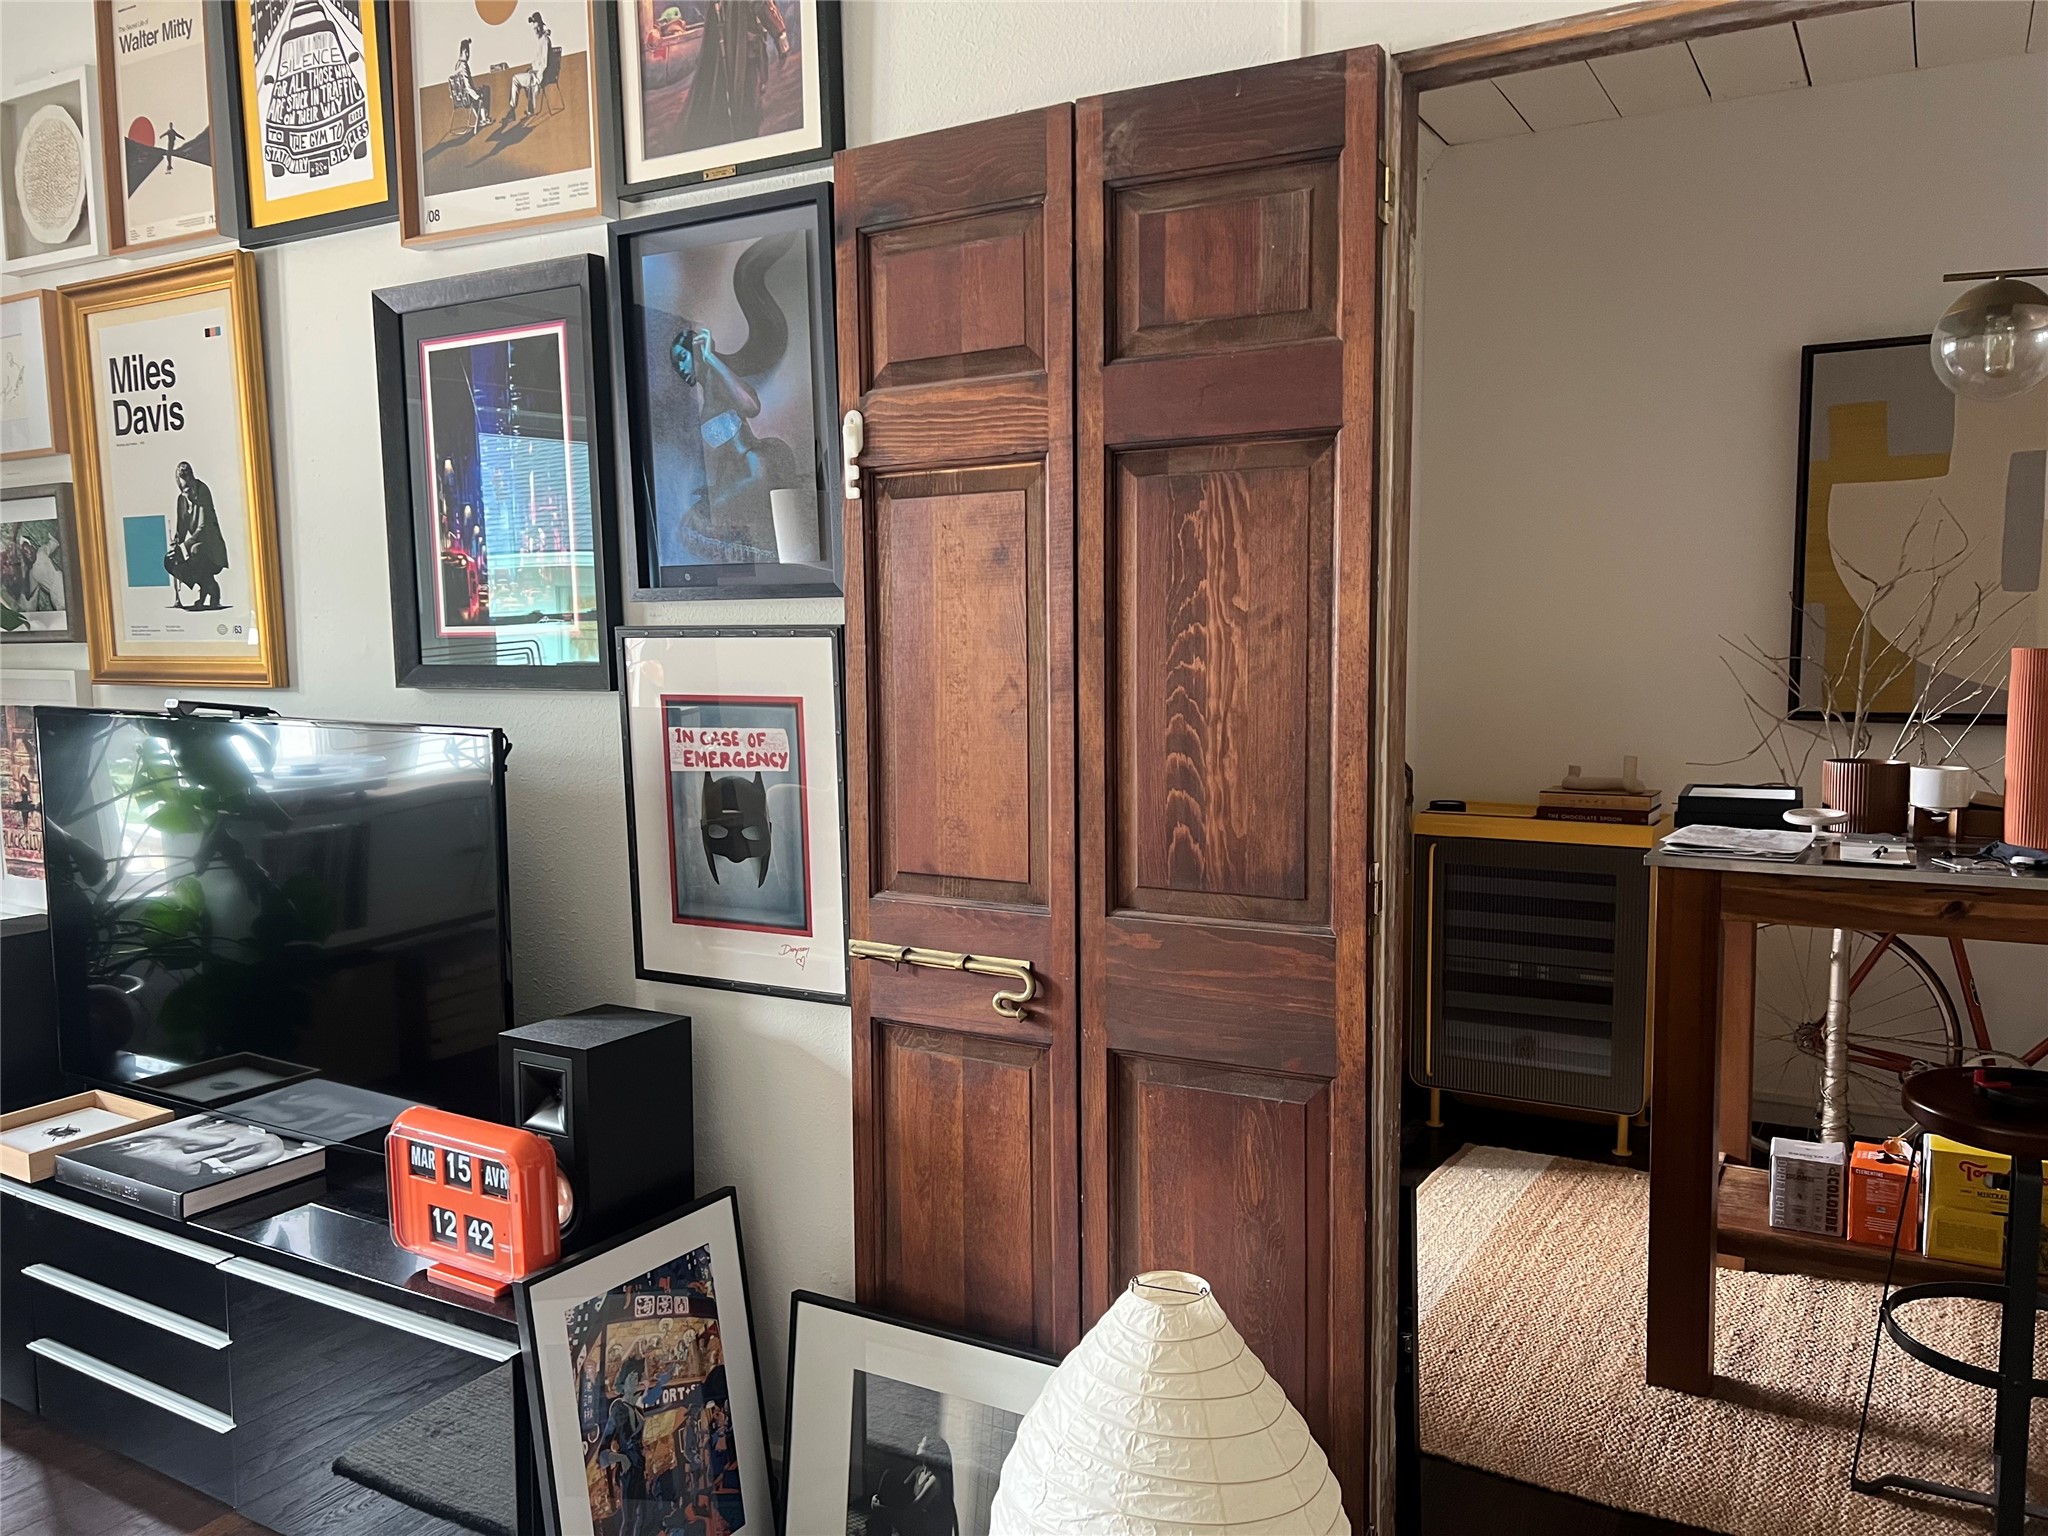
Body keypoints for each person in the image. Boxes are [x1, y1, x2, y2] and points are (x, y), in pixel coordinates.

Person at [166, 462, 228, 611]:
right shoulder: (181, 500)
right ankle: (206, 585)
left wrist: (183, 548)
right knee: (169, 560)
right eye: (185, 489)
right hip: (195, 546)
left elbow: (204, 527)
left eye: (191, 486)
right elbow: (181, 528)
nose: (190, 492)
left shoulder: (203, 491)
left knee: (195, 550)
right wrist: (176, 545)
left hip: (212, 548)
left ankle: (210, 590)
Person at [506, 11, 552, 122]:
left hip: (538, 76)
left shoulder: (544, 41)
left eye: (537, 28)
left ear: (541, 27)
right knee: (526, 73)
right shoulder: (542, 40)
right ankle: (530, 109)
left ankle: (512, 110)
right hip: (534, 73)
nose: (535, 31)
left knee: (515, 79)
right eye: (534, 29)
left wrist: (538, 79)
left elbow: (545, 64)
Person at [449, 40, 490, 136]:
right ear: (463, 51)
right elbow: (467, 84)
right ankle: (484, 118)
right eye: (467, 52)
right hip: (466, 97)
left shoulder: (457, 64)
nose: (468, 55)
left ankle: (481, 117)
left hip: (460, 98)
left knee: (477, 93)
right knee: (483, 92)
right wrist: (476, 96)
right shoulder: (463, 66)